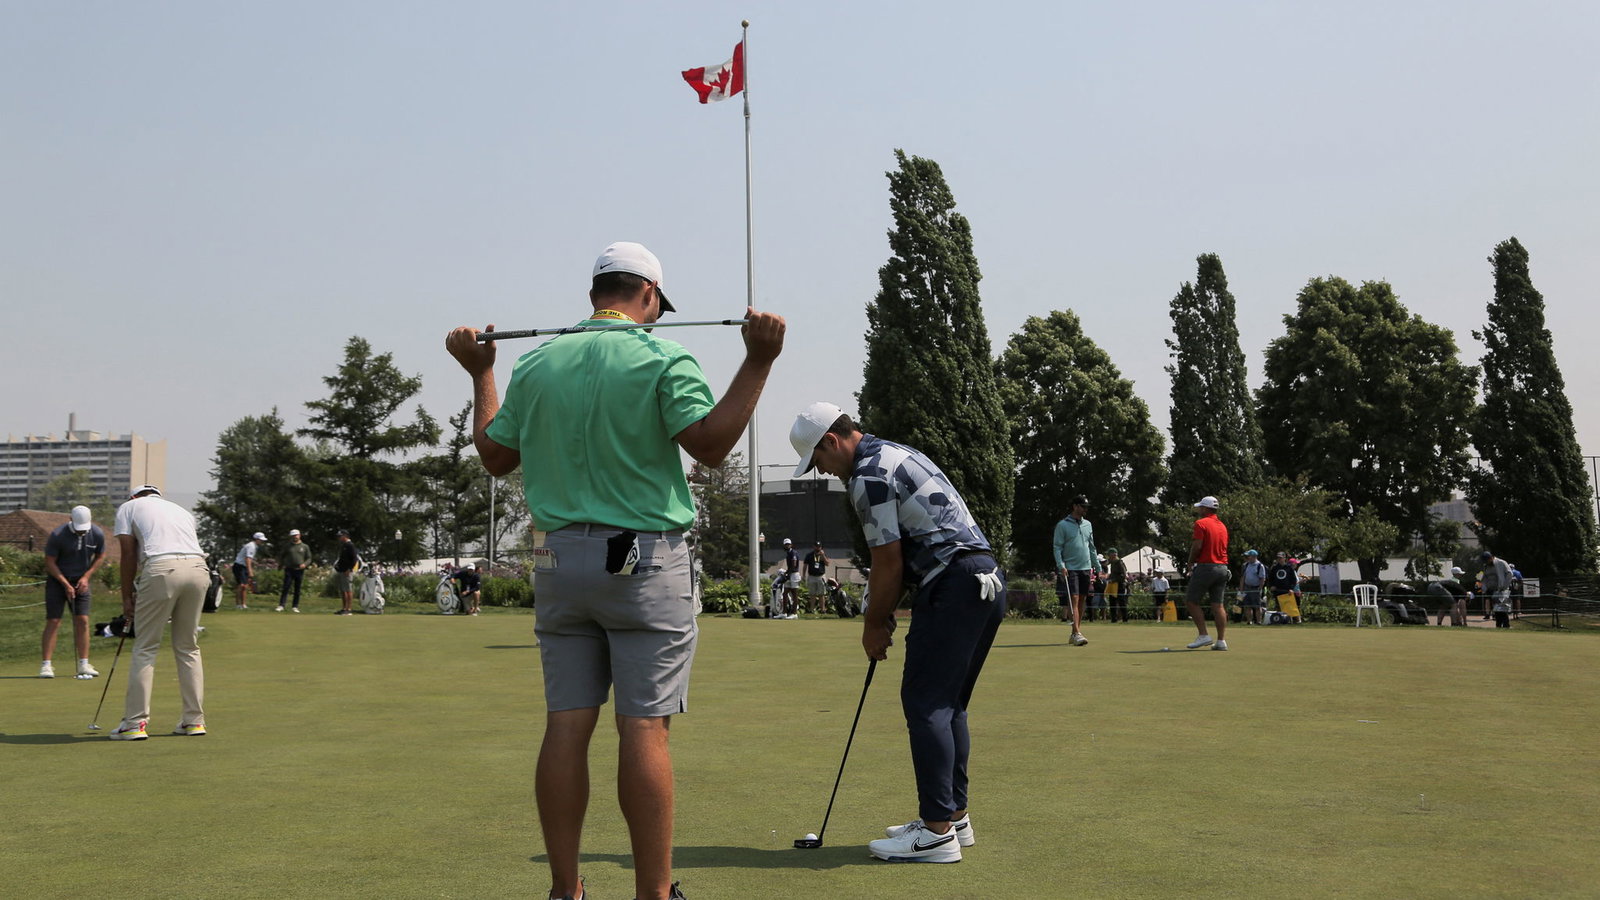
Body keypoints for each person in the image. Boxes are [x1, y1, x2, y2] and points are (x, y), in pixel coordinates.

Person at [446, 240, 784, 900]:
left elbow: (493, 457)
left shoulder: (539, 362)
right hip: (641, 561)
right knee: (644, 726)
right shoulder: (660, 354)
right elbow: (711, 446)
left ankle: (565, 891)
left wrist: (480, 372)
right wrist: (760, 359)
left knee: (567, 723)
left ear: (597, 292)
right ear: (649, 296)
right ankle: (652, 896)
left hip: (556, 559)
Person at [789, 402, 1005, 865]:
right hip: (984, 578)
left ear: (831, 441)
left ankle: (935, 833)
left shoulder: (866, 475)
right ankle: (952, 817)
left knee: (927, 704)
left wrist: (872, 625)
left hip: (953, 585)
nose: (823, 472)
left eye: (819, 462)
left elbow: (888, 560)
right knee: (948, 705)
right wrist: (883, 609)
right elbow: (909, 551)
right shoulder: (897, 453)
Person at [110, 485, 210, 740]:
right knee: (188, 647)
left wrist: (126, 597)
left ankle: (134, 724)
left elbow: (128, 554)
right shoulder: (180, 510)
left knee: (145, 647)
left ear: (134, 497)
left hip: (161, 568)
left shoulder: (129, 507)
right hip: (199, 569)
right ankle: (194, 721)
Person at [41, 505, 108, 679]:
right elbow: (50, 562)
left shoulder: (97, 533)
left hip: (81, 582)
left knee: (83, 620)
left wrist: (86, 577)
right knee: (54, 621)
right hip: (57, 581)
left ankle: (84, 664)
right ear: (70, 520)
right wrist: (65, 583)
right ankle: (46, 666)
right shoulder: (57, 535)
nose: (81, 533)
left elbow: (100, 555)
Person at [1184, 496, 1230, 650]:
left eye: (1200, 507)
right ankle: (1221, 641)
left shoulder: (1201, 523)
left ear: (1205, 508)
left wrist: (1190, 562)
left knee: (1191, 601)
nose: (1199, 510)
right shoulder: (1222, 526)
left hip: (1206, 566)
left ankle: (1203, 635)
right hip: (1223, 567)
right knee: (1218, 605)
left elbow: (1197, 546)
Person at [1052, 495, 1098, 646]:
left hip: (1085, 567)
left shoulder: (1088, 525)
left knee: (1082, 600)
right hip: (1070, 568)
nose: (1085, 509)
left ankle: (1074, 633)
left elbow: (1091, 547)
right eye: (1083, 506)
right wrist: (1061, 565)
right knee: (1074, 600)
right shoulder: (1062, 525)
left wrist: (1097, 566)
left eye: (1086, 507)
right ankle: (1077, 633)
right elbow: (1057, 547)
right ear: (1075, 506)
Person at [276, 529, 311, 612]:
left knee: (297, 588)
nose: (295, 537)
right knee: (286, 587)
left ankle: (295, 606)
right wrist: (280, 565)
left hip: (299, 569)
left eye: (296, 535)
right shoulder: (287, 546)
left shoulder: (305, 546)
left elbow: (309, 558)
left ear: (299, 535)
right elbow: (282, 556)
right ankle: (281, 605)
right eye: (293, 535)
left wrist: (305, 564)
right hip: (289, 569)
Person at [232, 531, 266, 609]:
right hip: (239, 566)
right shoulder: (251, 546)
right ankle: (238, 605)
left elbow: (249, 558)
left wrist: (255, 563)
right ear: (256, 539)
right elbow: (247, 559)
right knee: (241, 585)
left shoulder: (254, 546)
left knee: (245, 586)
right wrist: (250, 571)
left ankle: (243, 604)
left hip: (243, 567)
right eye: (261, 540)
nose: (262, 541)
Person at [1267, 552, 1302, 624]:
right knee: (1278, 606)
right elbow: (1270, 579)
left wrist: (1291, 588)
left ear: (1284, 558)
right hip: (1277, 590)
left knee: (1291, 607)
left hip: (1288, 591)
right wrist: (1271, 586)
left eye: (1281, 558)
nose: (1279, 559)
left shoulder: (1289, 568)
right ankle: (1281, 620)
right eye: (1278, 558)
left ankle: (1298, 621)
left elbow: (1293, 580)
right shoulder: (1274, 568)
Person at [1480, 550, 1512, 621]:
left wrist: (1504, 586)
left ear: (1491, 558)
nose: (1486, 562)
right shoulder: (1486, 566)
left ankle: (1506, 625)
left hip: (1501, 590)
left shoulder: (1501, 563)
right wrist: (1484, 587)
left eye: (1486, 560)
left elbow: (1509, 574)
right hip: (1491, 589)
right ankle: (1498, 626)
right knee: (1497, 611)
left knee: (1502, 609)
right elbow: (1484, 577)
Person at [334, 530, 359, 615]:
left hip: (347, 571)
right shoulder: (344, 545)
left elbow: (354, 559)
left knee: (348, 590)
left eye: (340, 536)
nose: (339, 538)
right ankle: (344, 608)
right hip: (342, 570)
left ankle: (348, 609)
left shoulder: (350, 545)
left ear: (345, 536)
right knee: (343, 590)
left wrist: (349, 569)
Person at [1239, 549, 1266, 625]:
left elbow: (1262, 578)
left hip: (1256, 588)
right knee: (1247, 605)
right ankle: (1249, 621)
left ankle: (1258, 621)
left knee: (1257, 606)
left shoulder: (1260, 566)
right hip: (1247, 587)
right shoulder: (1246, 565)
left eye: (1249, 556)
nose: (1248, 557)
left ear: (1254, 557)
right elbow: (1243, 577)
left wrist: (1260, 588)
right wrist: (1241, 589)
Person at [804, 542, 830, 612]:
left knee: (822, 594)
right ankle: (812, 609)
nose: (818, 548)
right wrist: (803, 575)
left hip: (820, 576)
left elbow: (827, 564)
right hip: (812, 576)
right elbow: (805, 565)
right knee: (812, 594)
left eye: (819, 546)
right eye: (816, 546)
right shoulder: (809, 555)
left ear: (821, 547)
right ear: (813, 547)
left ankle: (822, 609)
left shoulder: (823, 555)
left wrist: (823, 555)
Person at [1104, 548, 1128, 623]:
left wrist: (1113, 580)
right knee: (1112, 602)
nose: (1108, 556)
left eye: (1109, 554)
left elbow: (1123, 575)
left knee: (1122, 602)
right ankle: (1113, 619)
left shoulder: (1119, 562)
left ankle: (1125, 619)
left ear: (1113, 554)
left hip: (1119, 585)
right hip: (1113, 585)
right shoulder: (1113, 563)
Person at [782, 537, 800, 616]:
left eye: (788, 544)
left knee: (794, 594)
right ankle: (784, 613)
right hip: (790, 574)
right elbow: (790, 566)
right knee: (785, 593)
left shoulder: (793, 552)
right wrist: (786, 572)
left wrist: (788, 573)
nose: (787, 546)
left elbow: (794, 564)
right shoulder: (788, 553)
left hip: (794, 575)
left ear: (791, 545)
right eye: (786, 544)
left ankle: (794, 613)